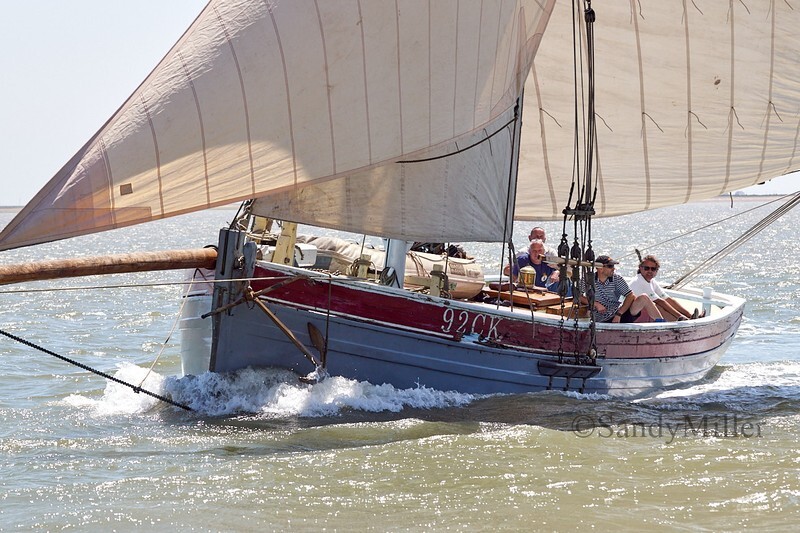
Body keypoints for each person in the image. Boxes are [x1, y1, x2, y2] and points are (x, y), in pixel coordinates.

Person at [580, 255, 665, 323]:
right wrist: (595, 304)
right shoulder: (588, 279)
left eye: (613, 266)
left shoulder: (616, 279)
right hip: (600, 318)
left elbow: (630, 295)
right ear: (600, 268)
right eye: (610, 266)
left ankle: (662, 325)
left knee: (644, 298)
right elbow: (577, 296)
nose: (613, 269)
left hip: (619, 314)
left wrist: (619, 314)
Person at [629, 255, 704, 320]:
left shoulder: (651, 281)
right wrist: (680, 316)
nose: (650, 271)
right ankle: (683, 321)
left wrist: (689, 314)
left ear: (656, 271)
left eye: (653, 269)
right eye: (646, 268)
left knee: (665, 304)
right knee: (659, 306)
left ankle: (690, 318)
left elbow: (667, 299)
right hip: (631, 316)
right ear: (640, 268)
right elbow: (660, 302)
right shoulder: (640, 281)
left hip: (641, 313)